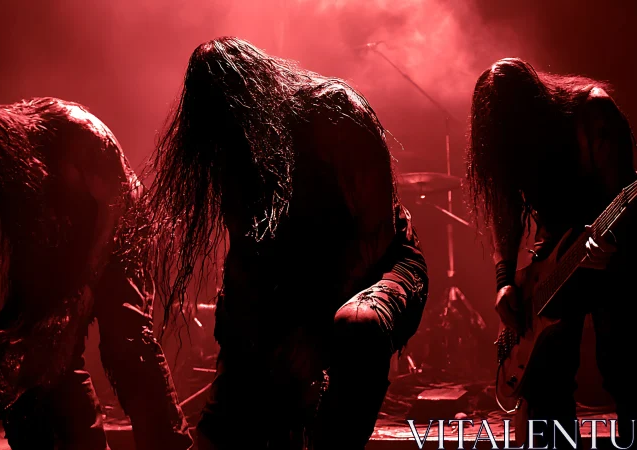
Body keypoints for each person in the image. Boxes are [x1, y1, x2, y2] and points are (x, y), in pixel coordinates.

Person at [149, 37, 429, 450]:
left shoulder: (336, 113)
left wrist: (315, 333)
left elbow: (376, 234)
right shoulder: (236, 157)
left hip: (383, 264)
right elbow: (246, 265)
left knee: (358, 326)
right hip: (295, 289)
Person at [0, 97, 192, 449]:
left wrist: (86, 285)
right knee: (46, 350)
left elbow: (113, 206)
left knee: (126, 339)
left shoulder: (76, 131)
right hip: (73, 236)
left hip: (120, 226)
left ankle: (170, 444)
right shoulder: (16, 171)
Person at [466, 58, 637, 448]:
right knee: (544, 377)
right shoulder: (509, 142)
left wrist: (607, 245)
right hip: (556, 258)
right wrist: (505, 280)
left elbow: (623, 200)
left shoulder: (592, 114)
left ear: (536, 108)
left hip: (618, 244)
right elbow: (504, 210)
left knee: (624, 366)